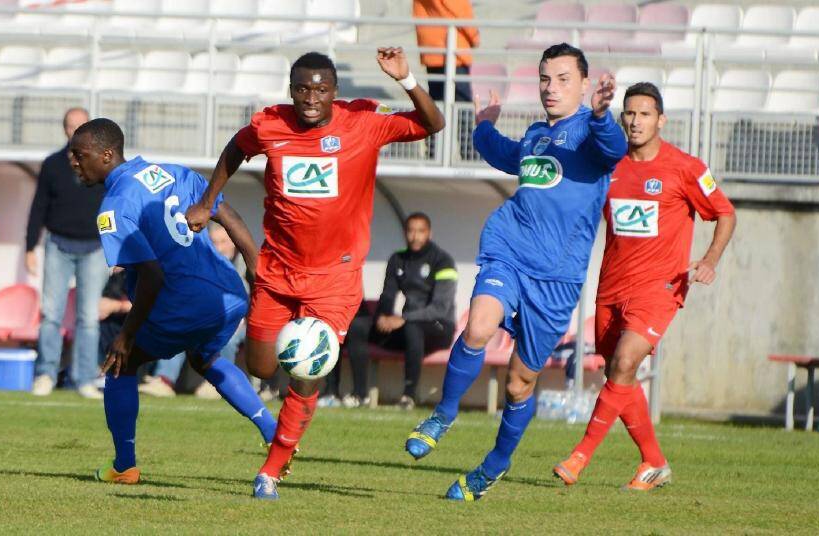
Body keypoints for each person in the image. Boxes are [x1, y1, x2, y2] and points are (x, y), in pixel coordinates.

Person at [185, 48, 445, 499]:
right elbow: (235, 149)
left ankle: (272, 468)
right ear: (291, 90)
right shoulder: (269, 125)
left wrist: (406, 80)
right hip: (277, 271)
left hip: (334, 280)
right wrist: (209, 201)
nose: (311, 98)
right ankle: (278, 423)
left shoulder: (363, 122)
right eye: (303, 89)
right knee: (261, 366)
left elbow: (432, 124)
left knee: (307, 373)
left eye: (321, 89)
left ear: (334, 92)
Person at [404, 43, 626, 501]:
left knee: (520, 381)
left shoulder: (591, 134)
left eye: (563, 79)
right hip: (509, 249)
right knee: (479, 325)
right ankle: (443, 414)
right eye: (545, 78)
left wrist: (604, 115)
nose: (551, 88)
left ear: (585, 85)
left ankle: (494, 465)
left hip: (557, 278)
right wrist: (483, 123)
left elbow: (614, 147)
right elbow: (502, 153)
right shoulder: (535, 136)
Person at [70, 118, 277, 485]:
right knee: (204, 357)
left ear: (106, 155)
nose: (73, 161)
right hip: (228, 294)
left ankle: (124, 466)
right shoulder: (171, 171)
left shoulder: (114, 206)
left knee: (121, 365)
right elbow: (226, 213)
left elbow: (152, 277)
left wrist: (125, 336)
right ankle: (274, 432)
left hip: (184, 300)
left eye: (79, 154)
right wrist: (255, 268)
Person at [553, 82, 736, 491]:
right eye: (629, 114)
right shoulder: (610, 164)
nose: (635, 122)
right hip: (611, 287)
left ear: (661, 120)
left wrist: (708, 261)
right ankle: (653, 462)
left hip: (659, 288)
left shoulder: (685, 167)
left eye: (644, 114)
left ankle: (579, 457)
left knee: (623, 364)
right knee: (620, 372)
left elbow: (724, 212)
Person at [337, 212, 457, 410]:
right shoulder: (398, 259)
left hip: (439, 328)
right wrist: (383, 317)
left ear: (429, 233)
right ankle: (360, 394)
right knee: (358, 326)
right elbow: (388, 295)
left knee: (412, 328)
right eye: (411, 231)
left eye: (420, 231)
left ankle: (408, 397)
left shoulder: (443, 260)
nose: (415, 236)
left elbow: (440, 308)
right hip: (408, 326)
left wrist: (403, 319)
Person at [27, 107, 109, 399]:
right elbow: (38, 206)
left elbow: (116, 205)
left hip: (96, 248)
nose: (74, 130)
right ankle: (45, 374)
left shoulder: (103, 163)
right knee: (51, 314)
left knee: (88, 317)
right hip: (58, 245)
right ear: (64, 129)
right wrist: (29, 247)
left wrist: (118, 245)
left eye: (80, 126)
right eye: (70, 126)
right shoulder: (51, 164)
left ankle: (85, 378)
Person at [137, 223, 248, 399]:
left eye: (224, 242)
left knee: (228, 335)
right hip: (208, 320)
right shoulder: (202, 264)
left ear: (233, 242)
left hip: (243, 323)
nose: (219, 247)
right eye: (215, 242)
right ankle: (164, 381)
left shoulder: (246, 264)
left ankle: (218, 384)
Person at [413, 0, 479, 158]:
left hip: (431, 47)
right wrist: (474, 36)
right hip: (453, 48)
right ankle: (468, 151)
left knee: (435, 103)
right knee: (462, 103)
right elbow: (457, 8)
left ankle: (434, 151)